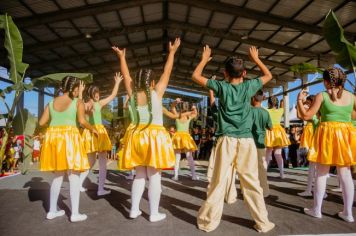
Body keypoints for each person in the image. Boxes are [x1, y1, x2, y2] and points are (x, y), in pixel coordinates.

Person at [193, 45, 275, 233]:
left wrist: (204, 59)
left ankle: (208, 222)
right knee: (252, 183)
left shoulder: (221, 87)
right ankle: (263, 222)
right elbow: (268, 76)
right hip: (247, 141)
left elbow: (196, 76)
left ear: (224, 72)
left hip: (226, 140)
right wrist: (257, 59)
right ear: (245, 73)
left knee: (219, 181)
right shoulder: (249, 86)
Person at [112, 37, 180, 222]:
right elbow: (168, 71)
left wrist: (122, 57)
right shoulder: (157, 93)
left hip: (136, 136)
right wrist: (172, 52)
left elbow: (126, 77)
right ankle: (154, 213)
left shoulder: (132, 95)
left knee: (140, 175)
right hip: (155, 137)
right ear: (152, 83)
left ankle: (134, 210)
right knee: (155, 177)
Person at [298, 67, 356, 223]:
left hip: (327, 135)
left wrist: (299, 100)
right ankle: (348, 213)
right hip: (345, 136)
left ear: (326, 82)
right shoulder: (352, 97)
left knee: (322, 173)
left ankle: (317, 210)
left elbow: (306, 116)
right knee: (345, 175)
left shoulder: (322, 96)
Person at [39, 77, 98, 222]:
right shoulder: (77, 102)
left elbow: (41, 122)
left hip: (54, 138)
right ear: (75, 89)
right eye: (78, 88)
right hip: (70, 138)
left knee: (58, 176)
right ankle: (75, 214)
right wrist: (94, 129)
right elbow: (83, 121)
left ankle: (52, 211)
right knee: (74, 176)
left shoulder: (51, 103)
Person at [79, 73, 123, 196]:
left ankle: (82, 185)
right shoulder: (90, 104)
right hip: (96, 132)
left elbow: (113, 95)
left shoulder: (96, 103)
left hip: (93, 132)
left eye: (98, 92)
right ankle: (100, 189)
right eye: (95, 93)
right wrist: (81, 94)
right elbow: (81, 106)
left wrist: (117, 83)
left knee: (92, 162)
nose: (98, 95)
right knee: (98, 162)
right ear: (91, 94)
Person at [206, 77, 237, 204]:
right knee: (230, 171)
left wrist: (212, 90)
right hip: (235, 143)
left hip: (220, 143)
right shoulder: (238, 113)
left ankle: (214, 196)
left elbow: (213, 104)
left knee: (215, 171)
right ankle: (230, 196)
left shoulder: (218, 114)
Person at [169, 100, 199, 181]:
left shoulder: (178, 116)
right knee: (189, 157)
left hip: (177, 137)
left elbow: (172, 107)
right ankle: (194, 175)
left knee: (177, 157)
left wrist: (175, 101)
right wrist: (194, 108)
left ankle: (175, 176)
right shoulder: (188, 117)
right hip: (186, 137)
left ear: (181, 111)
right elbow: (195, 113)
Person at [251, 90, 273, 197]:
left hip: (249, 143)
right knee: (261, 168)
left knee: (248, 168)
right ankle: (265, 191)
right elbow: (270, 127)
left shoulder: (248, 111)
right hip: (261, 143)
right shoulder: (265, 112)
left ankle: (248, 190)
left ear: (253, 99)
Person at [297, 95, 320, 197]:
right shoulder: (320, 113)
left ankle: (309, 190)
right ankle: (319, 192)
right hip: (320, 141)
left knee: (313, 168)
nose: (307, 104)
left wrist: (300, 101)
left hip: (315, 141)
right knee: (318, 169)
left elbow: (300, 115)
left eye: (308, 102)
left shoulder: (313, 114)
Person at [265, 96, 291, 178]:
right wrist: (282, 101)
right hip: (279, 132)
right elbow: (282, 105)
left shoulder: (266, 110)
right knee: (278, 154)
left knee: (268, 154)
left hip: (269, 131)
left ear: (268, 103)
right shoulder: (280, 110)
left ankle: (264, 173)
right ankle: (282, 173)